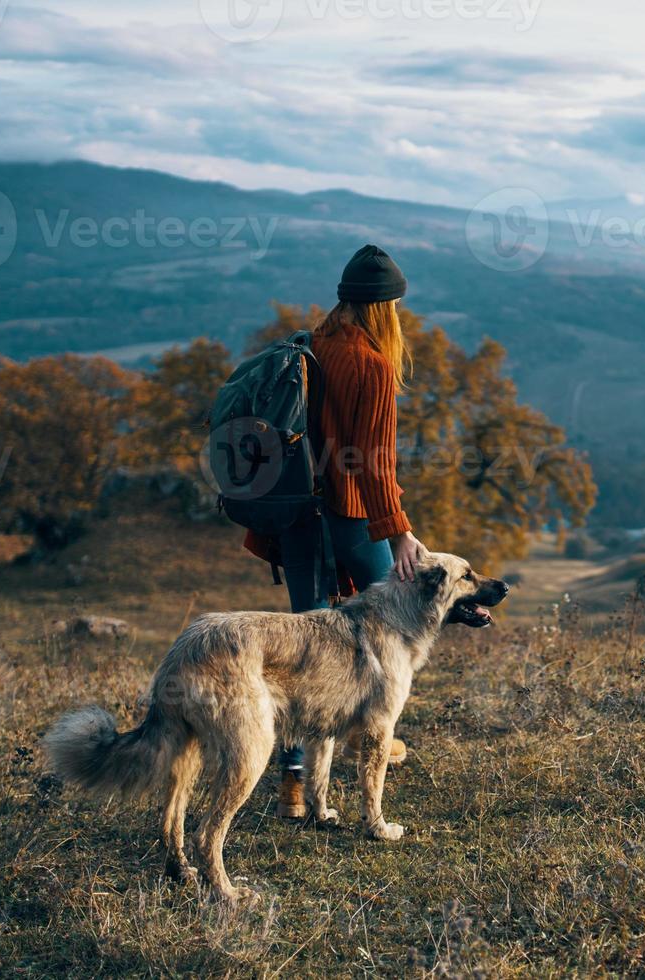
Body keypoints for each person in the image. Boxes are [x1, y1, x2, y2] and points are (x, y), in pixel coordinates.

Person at [249, 244, 429, 818]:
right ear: (384, 309)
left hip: (298, 518)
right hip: (350, 518)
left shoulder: (310, 346)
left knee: (302, 654)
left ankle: (294, 789)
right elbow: (372, 461)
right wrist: (397, 531)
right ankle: (373, 729)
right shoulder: (370, 363)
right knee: (392, 633)